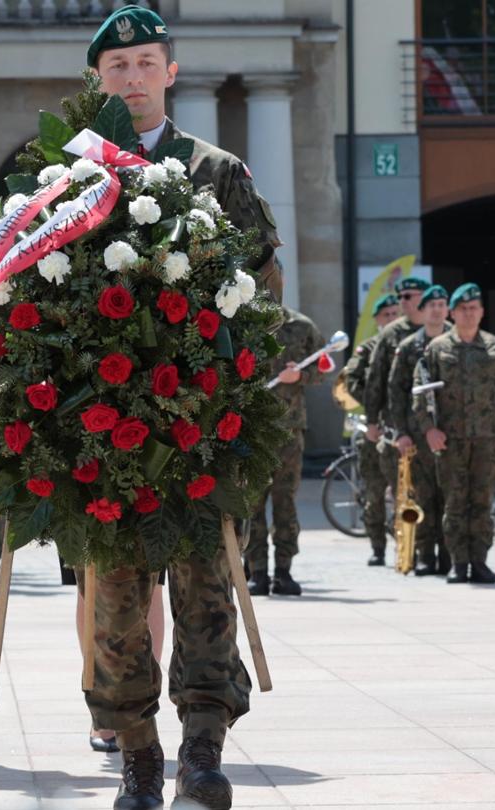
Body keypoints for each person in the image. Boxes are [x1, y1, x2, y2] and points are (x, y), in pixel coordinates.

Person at [72, 10, 273, 806]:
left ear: (170, 72)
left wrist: (229, 397)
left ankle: (202, 748)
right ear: (97, 79)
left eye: (144, 62)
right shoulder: (72, 174)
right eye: (115, 65)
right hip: (104, 430)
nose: (130, 78)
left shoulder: (215, 170)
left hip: (200, 425)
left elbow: (258, 293)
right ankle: (138, 757)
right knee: (116, 605)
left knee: (205, 591)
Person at [414, 283, 495, 585]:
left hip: (486, 439)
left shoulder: (494, 348)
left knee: (482, 502)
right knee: (455, 502)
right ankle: (458, 562)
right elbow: (419, 393)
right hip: (450, 439)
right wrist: (428, 429)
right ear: (452, 313)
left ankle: (480, 561)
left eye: (474, 308)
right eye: (462, 309)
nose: (469, 314)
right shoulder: (437, 348)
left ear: (482, 312)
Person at [246, 305, 322, 596]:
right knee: (252, 503)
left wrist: (300, 377)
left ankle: (283, 571)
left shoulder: (302, 326)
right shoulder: (246, 322)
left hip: (289, 429)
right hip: (255, 428)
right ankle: (257, 571)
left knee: (285, 501)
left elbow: (324, 369)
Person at [345, 282, 422, 566]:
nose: (391, 318)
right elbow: (351, 382)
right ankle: (377, 547)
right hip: (376, 427)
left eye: (394, 313)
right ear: (377, 319)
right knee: (374, 491)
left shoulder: (416, 339)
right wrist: (373, 402)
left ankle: (408, 544)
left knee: (407, 490)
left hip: (405, 425)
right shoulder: (367, 349)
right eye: (386, 314)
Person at [385, 284, 451, 576]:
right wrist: (401, 431)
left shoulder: (457, 341)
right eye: (431, 305)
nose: (436, 310)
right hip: (417, 433)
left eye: (441, 304)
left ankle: (450, 553)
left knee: (450, 494)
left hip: (450, 433)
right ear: (422, 311)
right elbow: (396, 392)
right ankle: (425, 554)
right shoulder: (409, 345)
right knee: (423, 495)